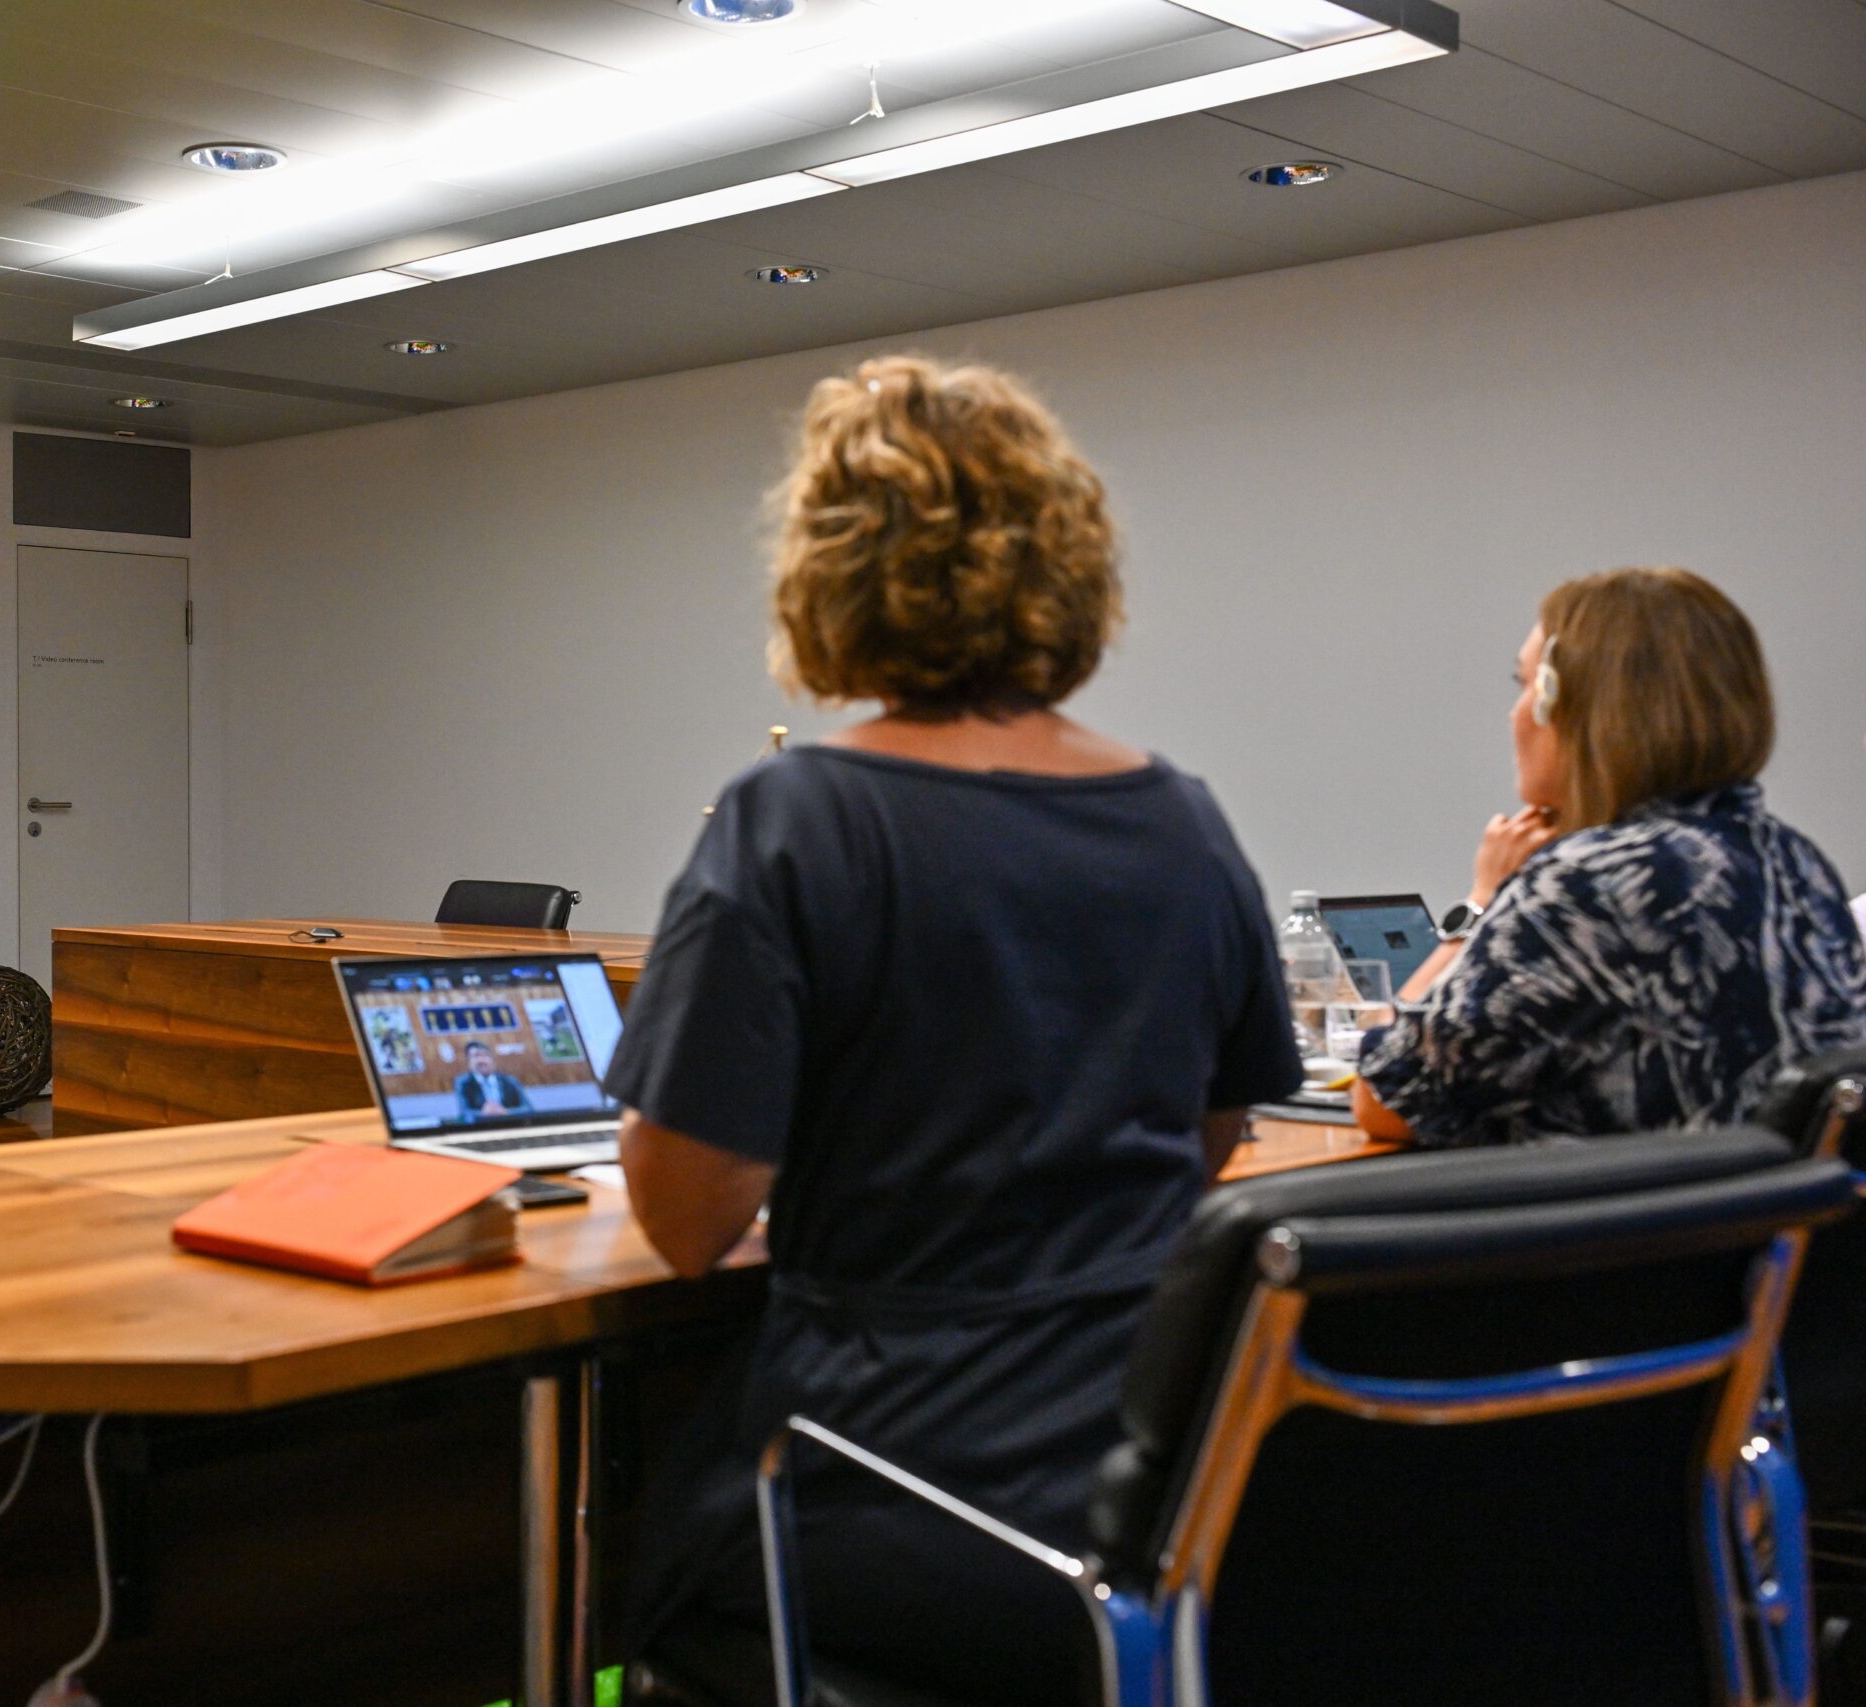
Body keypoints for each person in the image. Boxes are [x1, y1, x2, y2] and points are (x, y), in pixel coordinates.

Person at [605, 356, 1298, 1700]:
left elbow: (685, 1214)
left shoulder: (794, 819)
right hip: (1137, 1499)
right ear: (1073, 567)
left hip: (868, 1488)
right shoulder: (1185, 818)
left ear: (830, 572)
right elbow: (1214, 1132)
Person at [1353, 568, 1866, 1145]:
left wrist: (1481, 904)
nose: (1514, 714)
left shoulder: (1591, 884)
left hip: (1627, 1231)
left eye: (1525, 686)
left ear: (1569, 709)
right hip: (1754, 1226)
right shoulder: (1794, 859)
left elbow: (1384, 1101)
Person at [451, 1041, 532, 1122]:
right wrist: (484, 1114)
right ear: (469, 1061)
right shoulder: (463, 1082)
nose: (481, 1060)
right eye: (475, 1056)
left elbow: (528, 1109)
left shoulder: (509, 1080)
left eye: (485, 1055)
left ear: (492, 1059)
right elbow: (464, 1114)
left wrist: (506, 1112)